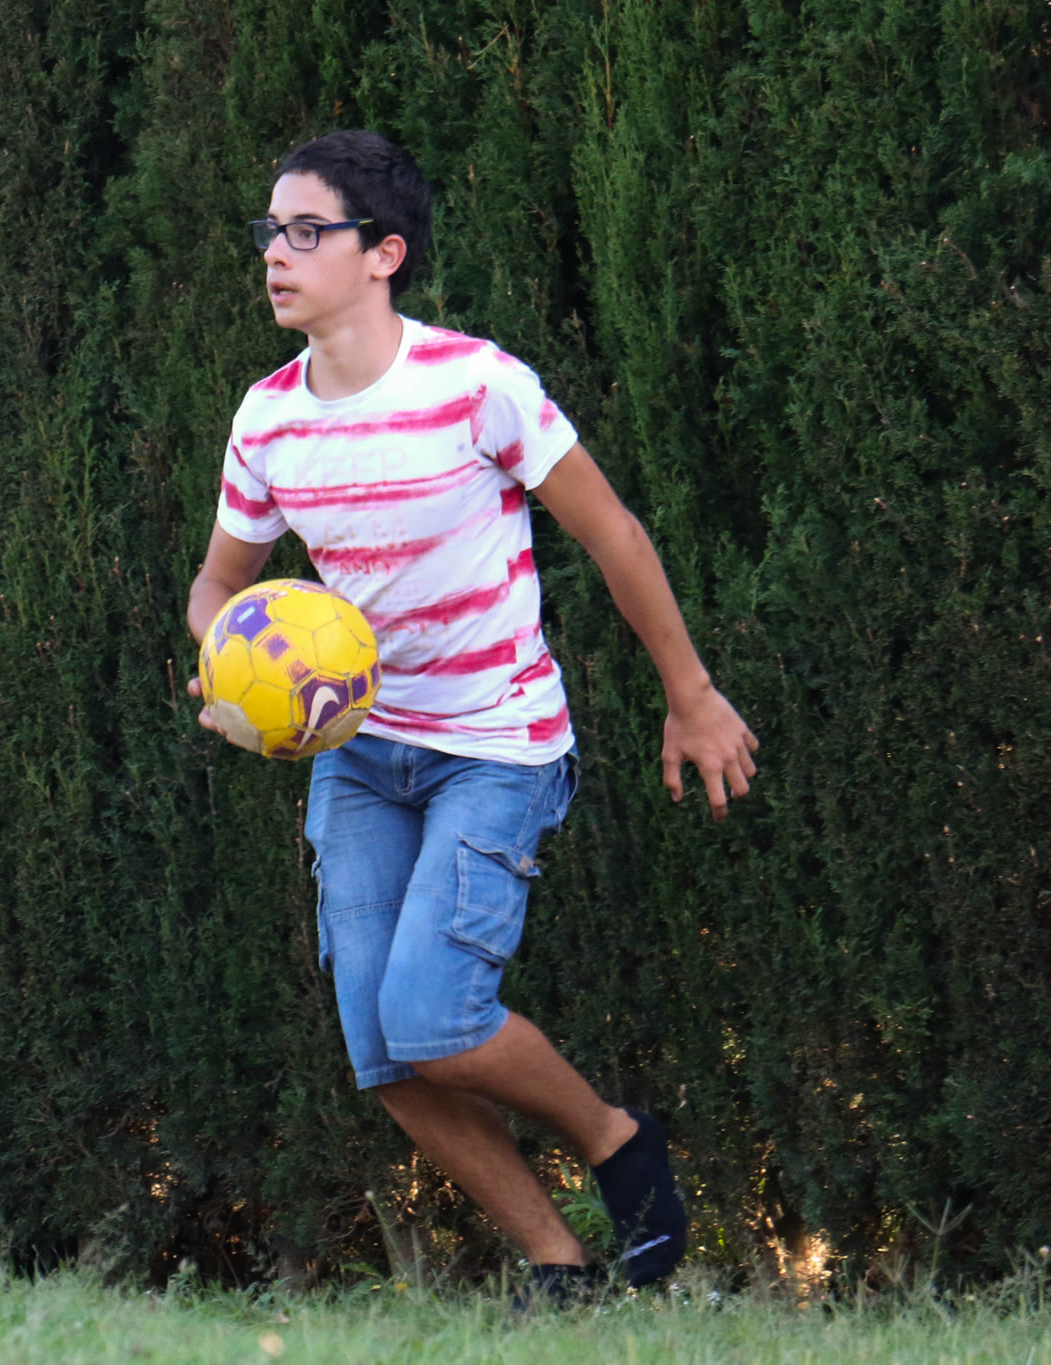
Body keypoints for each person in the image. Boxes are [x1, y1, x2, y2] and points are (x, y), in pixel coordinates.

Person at [184, 130, 759, 1293]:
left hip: (495, 745)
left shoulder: (476, 385)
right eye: (269, 232)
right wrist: (229, 666)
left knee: (433, 1018)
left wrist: (689, 695)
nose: (275, 254)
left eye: (306, 231)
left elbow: (611, 533)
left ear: (382, 253)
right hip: (359, 756)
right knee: (381, 1052)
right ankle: (558, 1266)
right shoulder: (266, 419)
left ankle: (613, 1140)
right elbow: (216, 586)